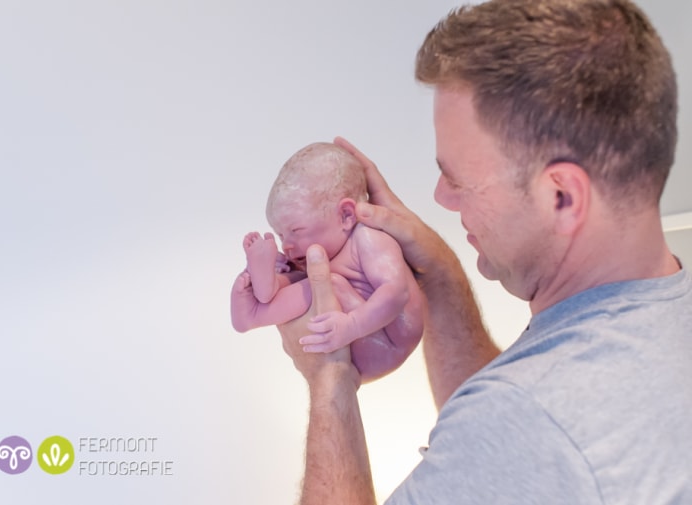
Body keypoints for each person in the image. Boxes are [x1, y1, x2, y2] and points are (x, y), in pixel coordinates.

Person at [276, 0, 692, 503]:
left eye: (458, 178)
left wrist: (330, 377)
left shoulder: (529, 420)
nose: (440, 197)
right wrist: (438, 273)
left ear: (561, 196)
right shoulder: (660, 320)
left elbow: (518, 430)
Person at [231, 141, 424, 382]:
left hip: (388, 341)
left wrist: (352, 325)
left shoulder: (369, 239)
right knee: (307, 275)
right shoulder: (332, 247)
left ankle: (256, 313)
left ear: (346, 215)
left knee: (324, 282)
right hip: (355, 334)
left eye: (296, 230)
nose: (287, 244)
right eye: (280, 235)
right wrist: (284, 268)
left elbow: (396, 294)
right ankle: (264, 284)